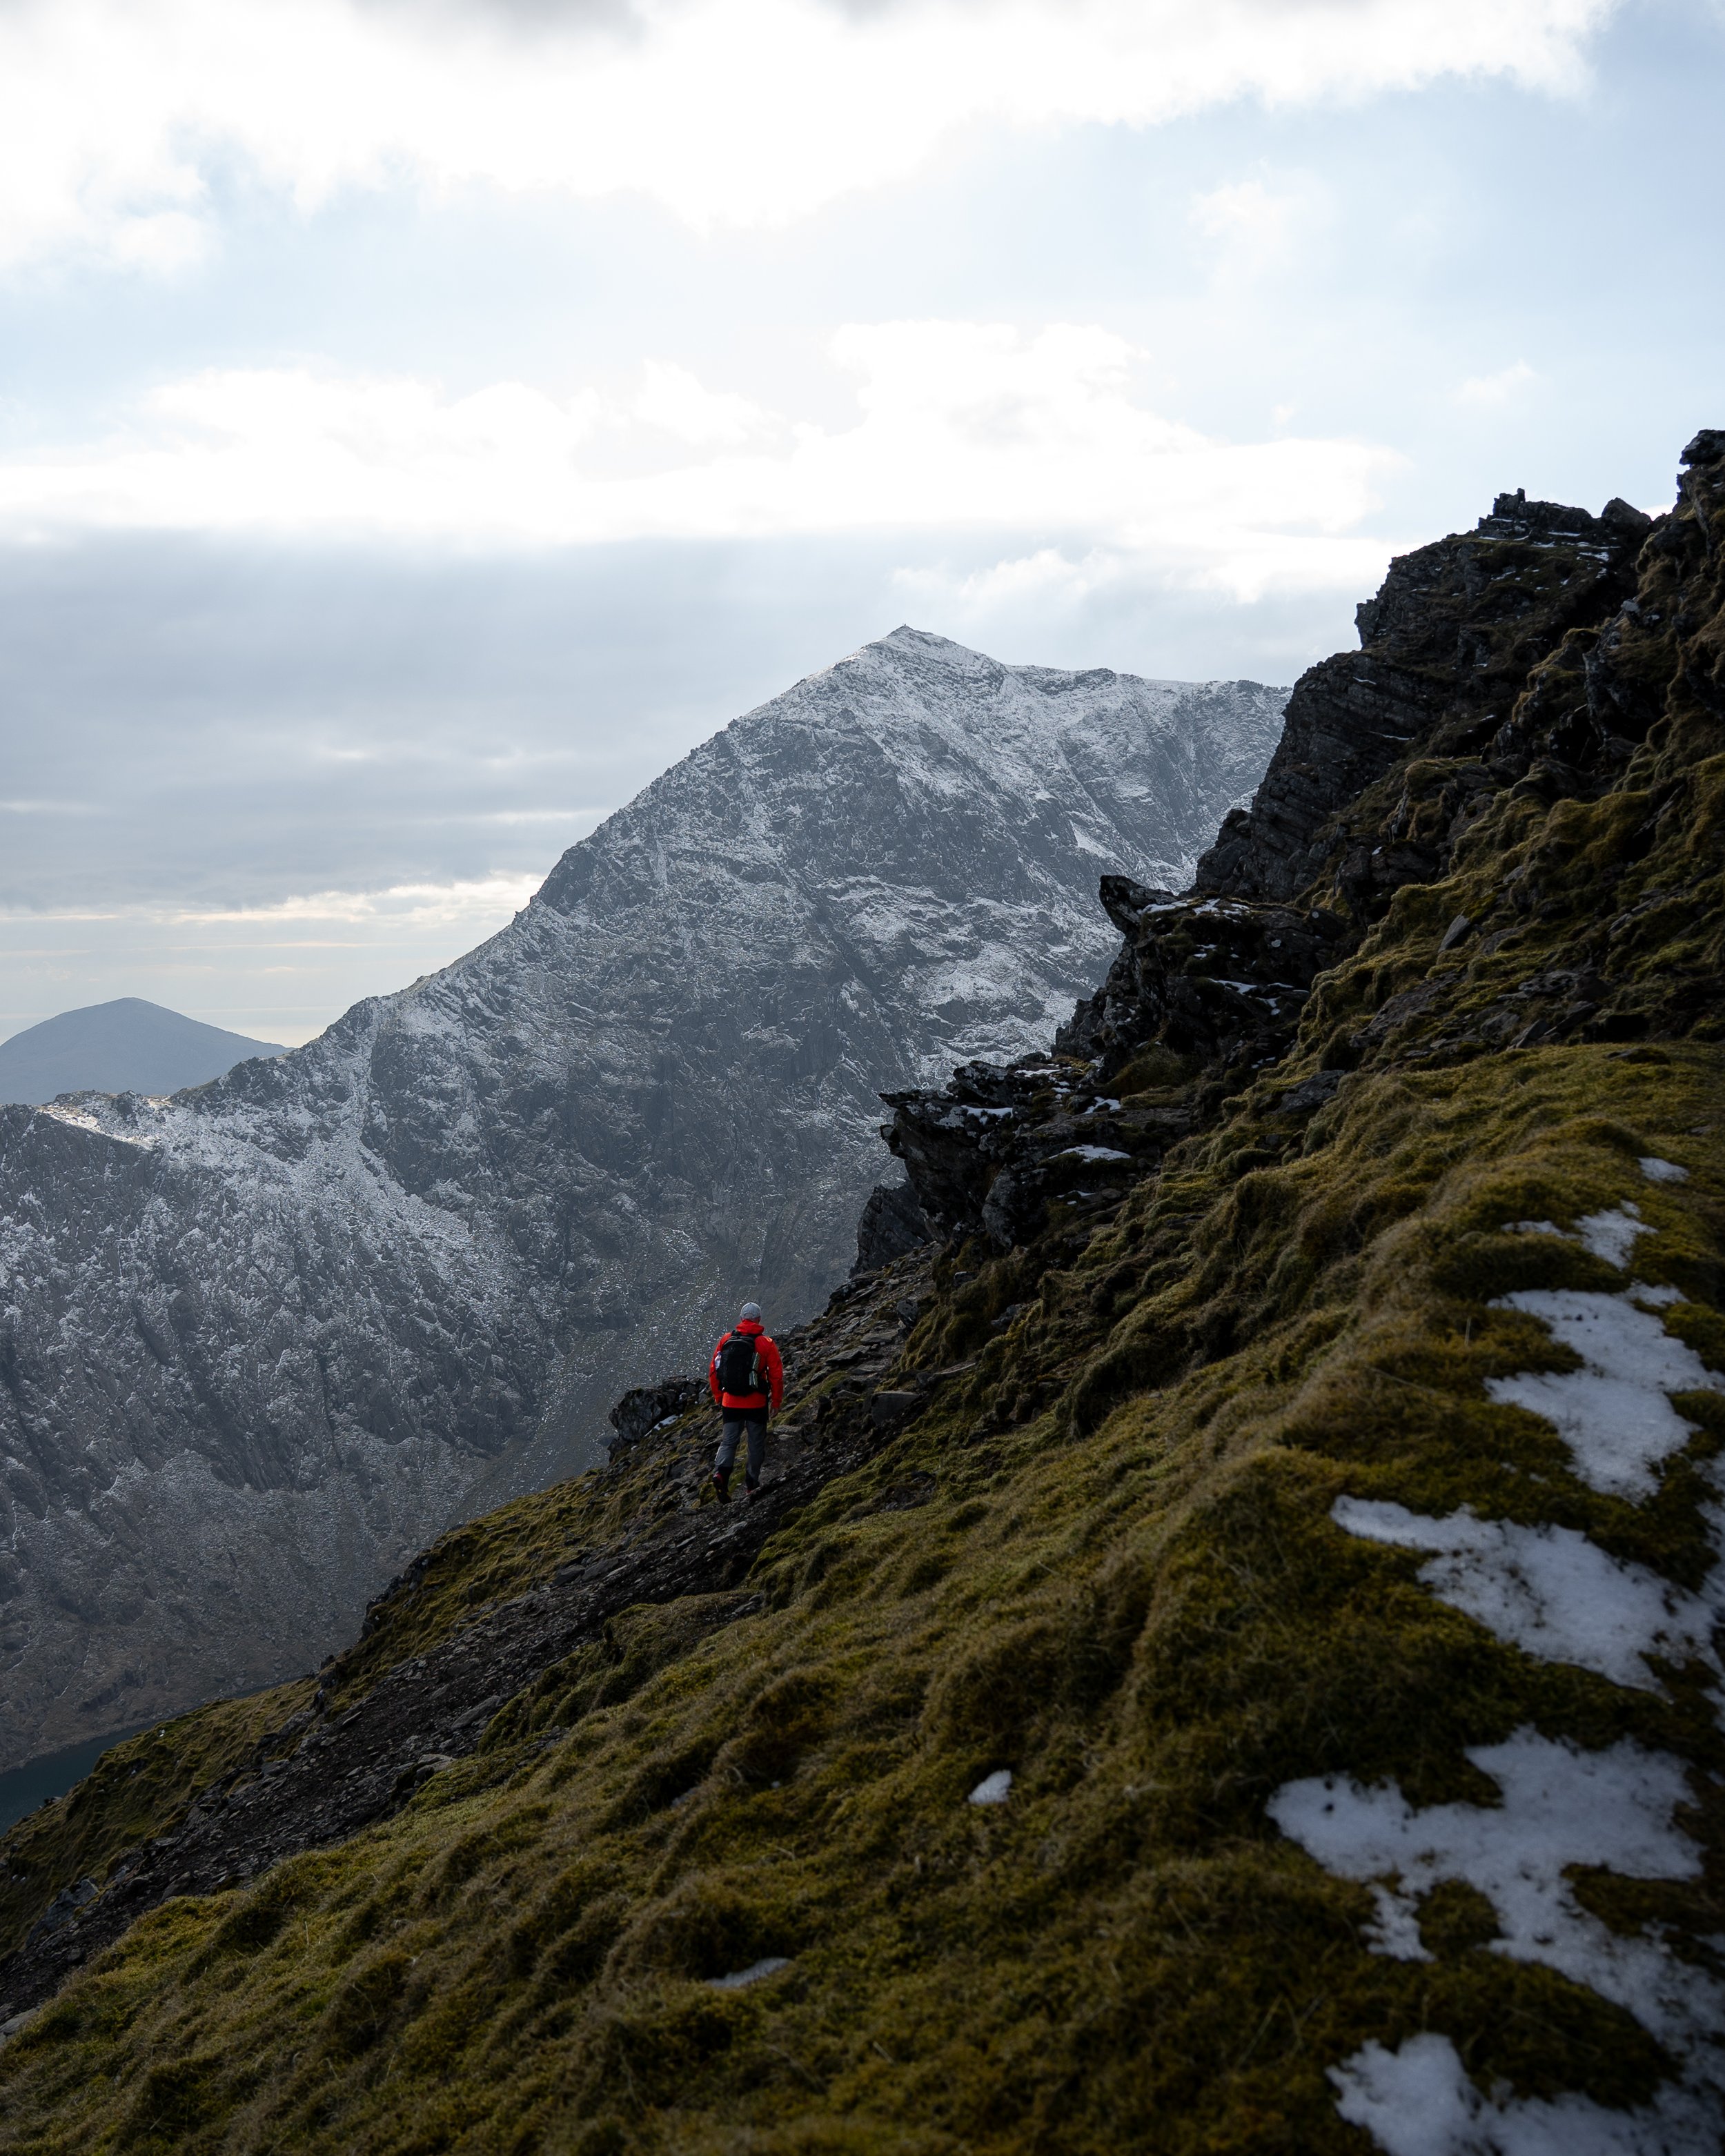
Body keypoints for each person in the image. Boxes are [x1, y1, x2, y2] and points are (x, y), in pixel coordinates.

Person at [708, 1300, 783, 1502]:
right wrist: (776, 1402)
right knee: (755, 1444)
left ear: (742, 1319)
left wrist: (718, 1395)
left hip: (730, 1402)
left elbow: (715, 1370)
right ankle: (751, 1484)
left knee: (729, 1441)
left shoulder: (726, 1340)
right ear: (758, 1320)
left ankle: (721, 1474)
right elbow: (776, 1375)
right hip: (756, 1403)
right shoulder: (765, 1343)